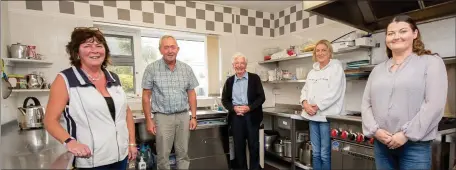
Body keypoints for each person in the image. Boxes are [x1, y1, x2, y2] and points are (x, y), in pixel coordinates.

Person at [361, 15, 448, 170]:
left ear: (415, 34)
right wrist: (375, 130)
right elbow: (366, 103)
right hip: (382, 145)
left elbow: (434, 104)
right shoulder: (377, 70)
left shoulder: (431, 62)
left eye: (402, 31)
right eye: (391, 33)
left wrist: (405, 134)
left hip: (415, 146)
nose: (396, 37)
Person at [44, 27, 137, 169]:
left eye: (99, 46)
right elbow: (50, 120)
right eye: (87, 46)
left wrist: (131, 143)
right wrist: (70, 142)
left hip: (121, 156)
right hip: (91, 160)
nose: (94, 50)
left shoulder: (113, 78)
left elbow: (126, 112)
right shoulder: (66, 79)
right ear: (77, 52)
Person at [141, 35, 199, 170]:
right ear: (160, 50)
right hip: (162, 117)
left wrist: (194, 116)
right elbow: (146, 96)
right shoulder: (151, 68)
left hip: (183, 116)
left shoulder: (186, 69)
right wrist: (149, 120)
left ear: (177, 49)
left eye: (172, 47)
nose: (170, 51)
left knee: (183, 153)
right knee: (163, 156)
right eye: (166, 47)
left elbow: (191, 93)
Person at [299, 39, 346, 170]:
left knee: (325, 154)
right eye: (317, 50)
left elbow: (334, 92)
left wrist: (316, 106)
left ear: (330, 52)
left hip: (326, 117)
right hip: (312, 117)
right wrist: (305, 103)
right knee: (316, 153)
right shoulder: (312, 72)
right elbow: (304, 90)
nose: (320, 53)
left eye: (323, 50)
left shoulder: (336, 68)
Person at [221, 53, 265, 170]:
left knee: (254, 146)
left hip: (251, 116)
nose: (239, 66)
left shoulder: (254, 78)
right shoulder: (229, 81)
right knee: (239, 147)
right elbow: (224, 100)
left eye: (242, 63)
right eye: (237, 63)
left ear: (246, 65)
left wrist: (249, 108)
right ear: (233, 65)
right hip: (236, 118)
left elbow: (261, 98)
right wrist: (234, 108)